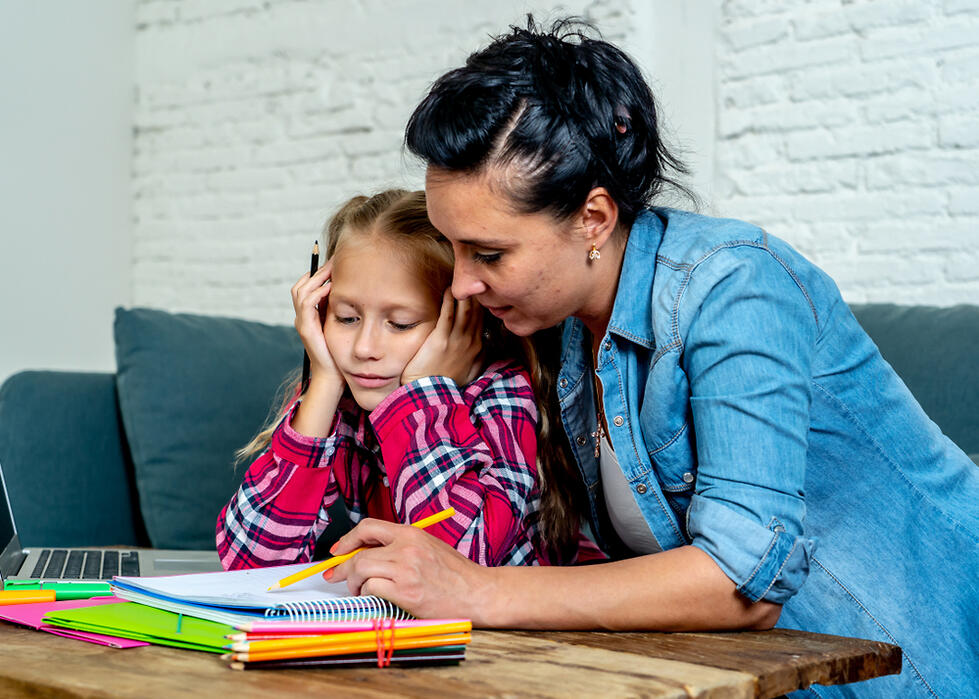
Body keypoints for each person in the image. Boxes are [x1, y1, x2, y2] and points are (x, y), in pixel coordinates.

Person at [323, 19, 979, 698]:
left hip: (916, 669)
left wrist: (480, 591)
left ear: (594, 220)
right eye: (451, 246)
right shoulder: (558, 327)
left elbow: (739, 585)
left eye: (488, 253)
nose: (459, 283)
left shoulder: (735, 287)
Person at [217, 189, 603, 571]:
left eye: (400, 324)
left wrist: (421, 394)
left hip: (535, 625)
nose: (365, 348)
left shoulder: (502, 396)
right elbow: (250, 562)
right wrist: (323, 384)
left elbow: (455, 567)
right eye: (347, 318)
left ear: (465, 321)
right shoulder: (346, 401)